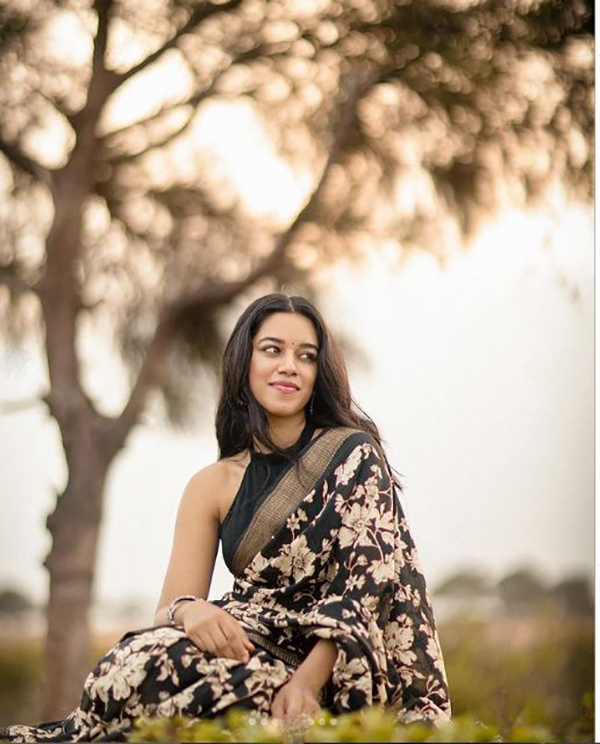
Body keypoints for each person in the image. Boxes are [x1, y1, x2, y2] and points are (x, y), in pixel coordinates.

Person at [3, 293, 451, 742]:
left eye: (306, 356)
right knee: (128, 667)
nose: (289, 366)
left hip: (336, 664)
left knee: (170, 679)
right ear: (244, 363)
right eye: (272, 350)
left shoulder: (353, 456)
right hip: (246, 647)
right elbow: (170, 607)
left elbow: (366, 589)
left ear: (319, 373)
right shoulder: (213, 484)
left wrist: (305, 685)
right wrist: (190, 612)